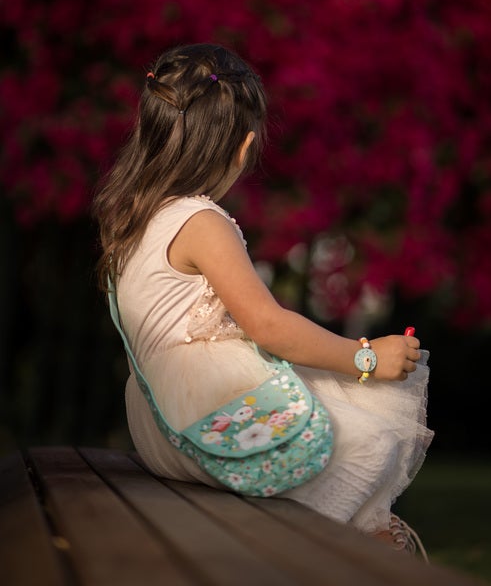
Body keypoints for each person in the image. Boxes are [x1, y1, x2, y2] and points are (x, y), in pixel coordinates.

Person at [93, 42, 433, 552]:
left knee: (348, 418)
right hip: (207, 408)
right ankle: (294, 558)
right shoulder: (200, 221)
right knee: (372, 444)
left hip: (162, 417)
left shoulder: (132, 218)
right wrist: (365, 357)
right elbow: (269, 326)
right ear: (244, 146)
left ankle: (369, 546)